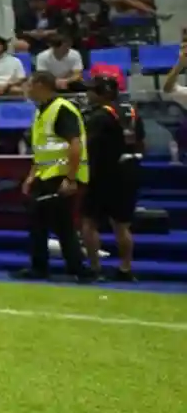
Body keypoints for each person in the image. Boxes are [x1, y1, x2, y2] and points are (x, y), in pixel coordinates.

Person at [12, 71, 91, 282]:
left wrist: (71, 178)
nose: (26, 89)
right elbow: (41, 149)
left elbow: (75, 144)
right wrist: (32, 175)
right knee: (37, 222)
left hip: (61, 174)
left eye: (29, 84)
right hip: (45, 175)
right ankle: (41, 267)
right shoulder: (41, 112)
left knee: (62, 224)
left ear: (40, 85)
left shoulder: (61, 109)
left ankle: (77, 268)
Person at [80, 77, 139, 282]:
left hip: (102, 175)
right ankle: (125, 269)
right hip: (128, 173)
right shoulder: (131, 111)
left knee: (89, 222)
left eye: (91, 91)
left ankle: (95, 268)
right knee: (122, 226)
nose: (88, 95)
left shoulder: (98, 116)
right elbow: (142, 142)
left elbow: (88, 147)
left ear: (102, 93)